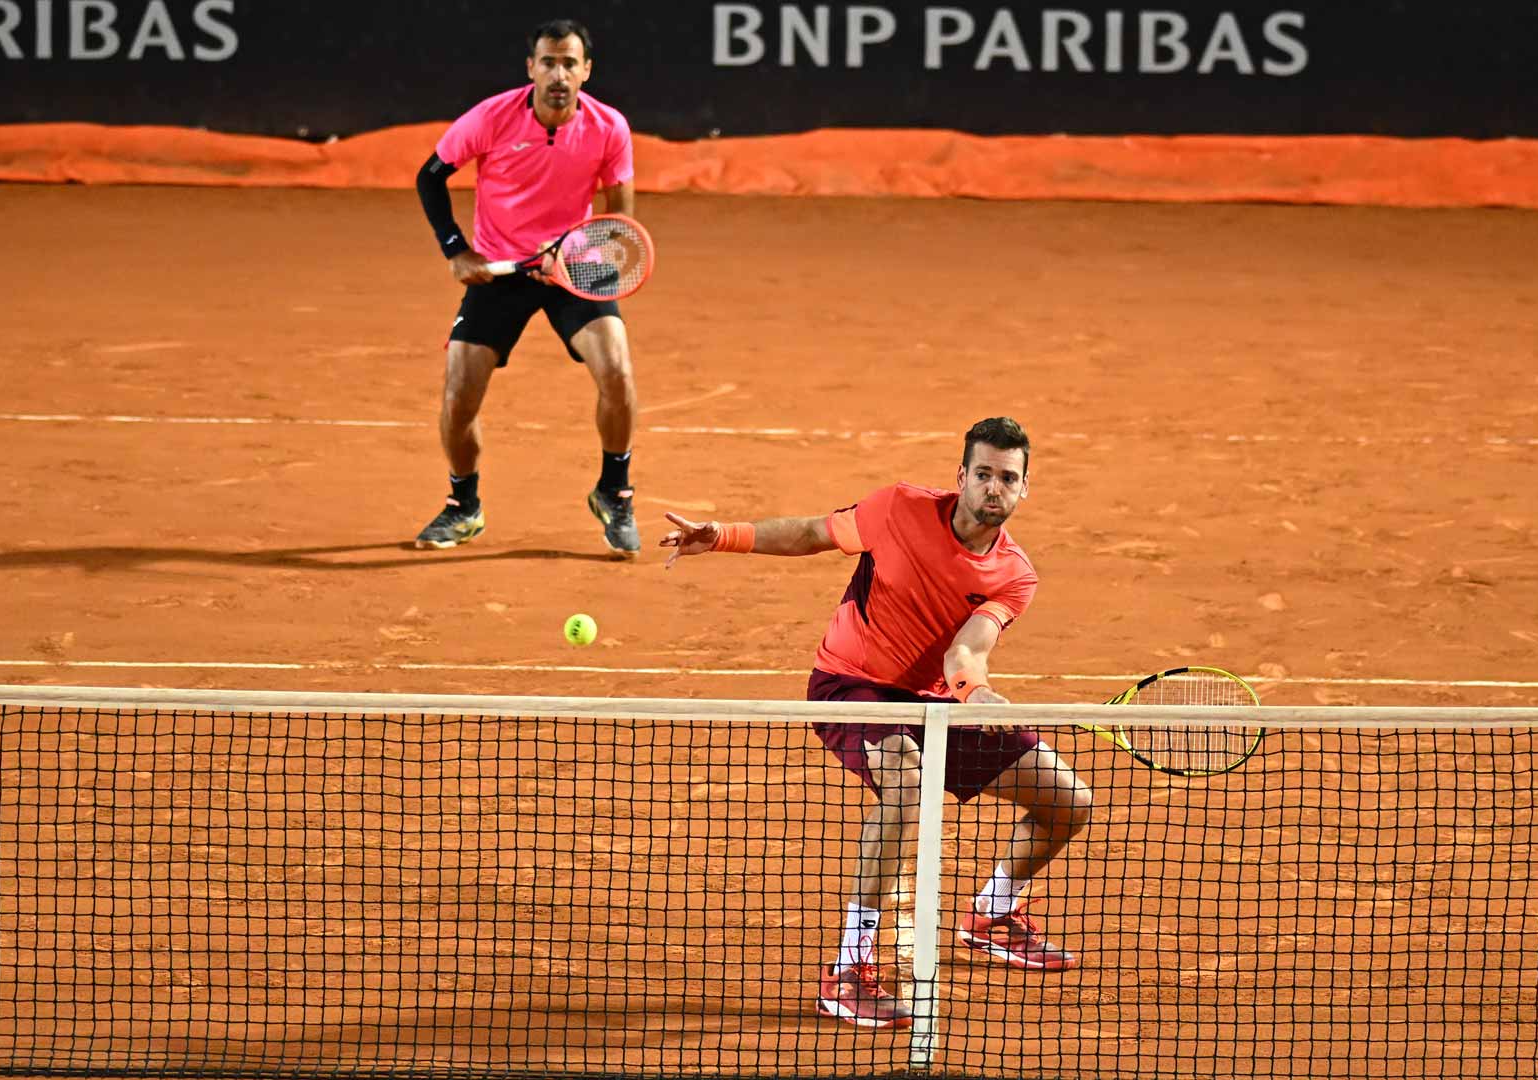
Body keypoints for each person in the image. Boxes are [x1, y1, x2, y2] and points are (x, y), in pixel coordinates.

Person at [659, 417, 1095, 1029]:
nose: (994, 488)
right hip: (852, 684)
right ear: (962, 477)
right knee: (907, 786)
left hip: (938, 702)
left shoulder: (1014, 575)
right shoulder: (898, 509)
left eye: (1009, 478)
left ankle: (992, 913)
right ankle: (847, 968)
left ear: (1025, 490)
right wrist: (723, 535)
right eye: (985, 474)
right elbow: (813, 532)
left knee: (1068, 803)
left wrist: (976, 694)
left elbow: (965, 654)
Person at [412, 18, 641, 556]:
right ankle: (463, 505)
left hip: (573, 270)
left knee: (618, 370)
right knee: (459, 393)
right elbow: (430, 175)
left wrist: (581, 257)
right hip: (499, 270)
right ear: (531, 68)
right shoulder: (491, 117)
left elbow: (618, 221)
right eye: (548, 62)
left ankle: (615, 491)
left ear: (586, 70)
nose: (558, 73)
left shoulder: (610, 127)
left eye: (569, 63)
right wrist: (456, 250)